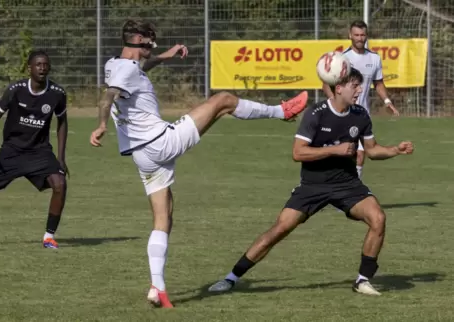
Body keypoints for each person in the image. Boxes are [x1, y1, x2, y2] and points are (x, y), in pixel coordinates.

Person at [89, 19, 309, 308]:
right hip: (160, 142)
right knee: (223, 101)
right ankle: (281, 111)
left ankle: (157, 287)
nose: (151, 47)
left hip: (143, 155)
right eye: (150, 42)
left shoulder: (116, 64)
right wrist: (102, 125)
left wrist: (165, 56)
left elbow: (136, 71)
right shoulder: (125, 69)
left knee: (163, 218)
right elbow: (107, 98)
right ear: (139, 40)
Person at [208, 68, 414, 297]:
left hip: (347, 184)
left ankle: (363, 280)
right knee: (279, 229)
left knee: (378, 218)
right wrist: (336, 150)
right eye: (355, 86)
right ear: (339, 88)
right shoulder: (316, 113)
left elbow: (373, 150)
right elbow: (298, 153)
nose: (360, 90)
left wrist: (395, 149)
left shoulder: (360, 115)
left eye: (360, 85)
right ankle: (231, 278)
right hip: (312, 185)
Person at [0, 50, 69, 249]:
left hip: (39, 153)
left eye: (45, 64)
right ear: (29, 68)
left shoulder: (57, 94)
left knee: (60, 184)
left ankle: (49, 237)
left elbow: (62, 122)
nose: (42, 68)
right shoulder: (16, 90)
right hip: (11, 151)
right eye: (38, 65)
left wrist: (60, 158)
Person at [322, 20, 400, 179]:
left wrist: (387, 102)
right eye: (356, 35)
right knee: (348, 153)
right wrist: (335, 104)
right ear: (350, 35)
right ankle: (341, 187)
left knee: (359, 154)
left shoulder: (374, 58)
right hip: (342, 114)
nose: (359, 38)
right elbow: (326, 84)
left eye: (362, 35)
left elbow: (378, 84)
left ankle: (352, 190)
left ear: (366, 36)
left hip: (361, 114)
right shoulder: (342, 58)